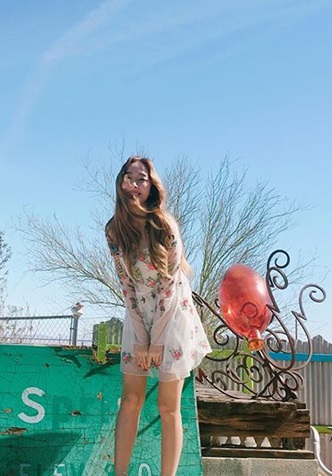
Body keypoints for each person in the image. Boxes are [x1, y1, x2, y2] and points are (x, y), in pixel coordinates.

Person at [106, 156, 211, 476]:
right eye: (129, 177)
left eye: (142, 178)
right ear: (121, 183)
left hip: (172, 316)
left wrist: (156, 340)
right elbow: (126, 285)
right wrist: (141, 337)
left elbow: (169, 285)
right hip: (138, 313)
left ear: (151, 186)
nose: (134, 184)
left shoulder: (164, 225)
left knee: (168, 407)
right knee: (130, 400)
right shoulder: (114, 230)